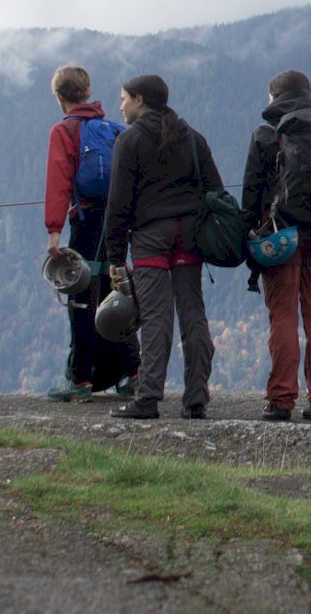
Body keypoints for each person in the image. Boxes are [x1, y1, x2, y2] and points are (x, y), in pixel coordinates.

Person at [101, 75, 221, 420]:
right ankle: (196, 398)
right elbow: (213, 187)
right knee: (192, 312)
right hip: (190, 234)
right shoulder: (192, 138)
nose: (120, 105)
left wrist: (114, 256)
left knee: (155, 316)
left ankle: (149, 397)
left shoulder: (131, 140)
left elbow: (118, 203)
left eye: (123, 99)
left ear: (140, 100)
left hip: (151, 235)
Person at [242, 70, 311, 422]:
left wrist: (250, 233)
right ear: (308, 93)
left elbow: (251, 193)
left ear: (273, 97)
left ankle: (280, 400)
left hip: (279, 235)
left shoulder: (265, 134)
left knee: (284, 314)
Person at [41, 65, 140, 402]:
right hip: (117, 223)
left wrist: (54, 232)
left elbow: (57, 183)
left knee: (82, 298)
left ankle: (80, 379)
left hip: (85, 221)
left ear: (59, 97)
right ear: (87, 91)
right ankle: (133, 372)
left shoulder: (64, 131)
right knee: (115, 292)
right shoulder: (112, 129)